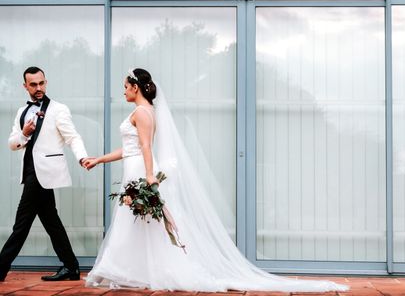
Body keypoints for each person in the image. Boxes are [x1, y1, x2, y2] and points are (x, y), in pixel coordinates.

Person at [84, 68, 348, 292]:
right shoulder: (146, 111)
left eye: (125, 87)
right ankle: (127, 269)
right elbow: (130, 149)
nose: (123, 91)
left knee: (133, 220)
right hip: (135, 166)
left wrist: (150, 176)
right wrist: (99, 159)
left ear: (135, 87)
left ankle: (118, 268)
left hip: (140, 170)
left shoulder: (142, 113)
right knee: (139, 223)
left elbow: (145, 147)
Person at [0, 67, 89, 283]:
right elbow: (13, 144)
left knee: (21, 225)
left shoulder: (58, 109)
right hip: (30, 173)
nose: (38, 88)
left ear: (46, 82)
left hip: (45, 174)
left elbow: (72, 137)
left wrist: (82, 157)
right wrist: (24, 133)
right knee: (51, 221)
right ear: (25, 86)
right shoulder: (22, 112)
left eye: (41, 83)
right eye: (33, 84)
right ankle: (71, 266)